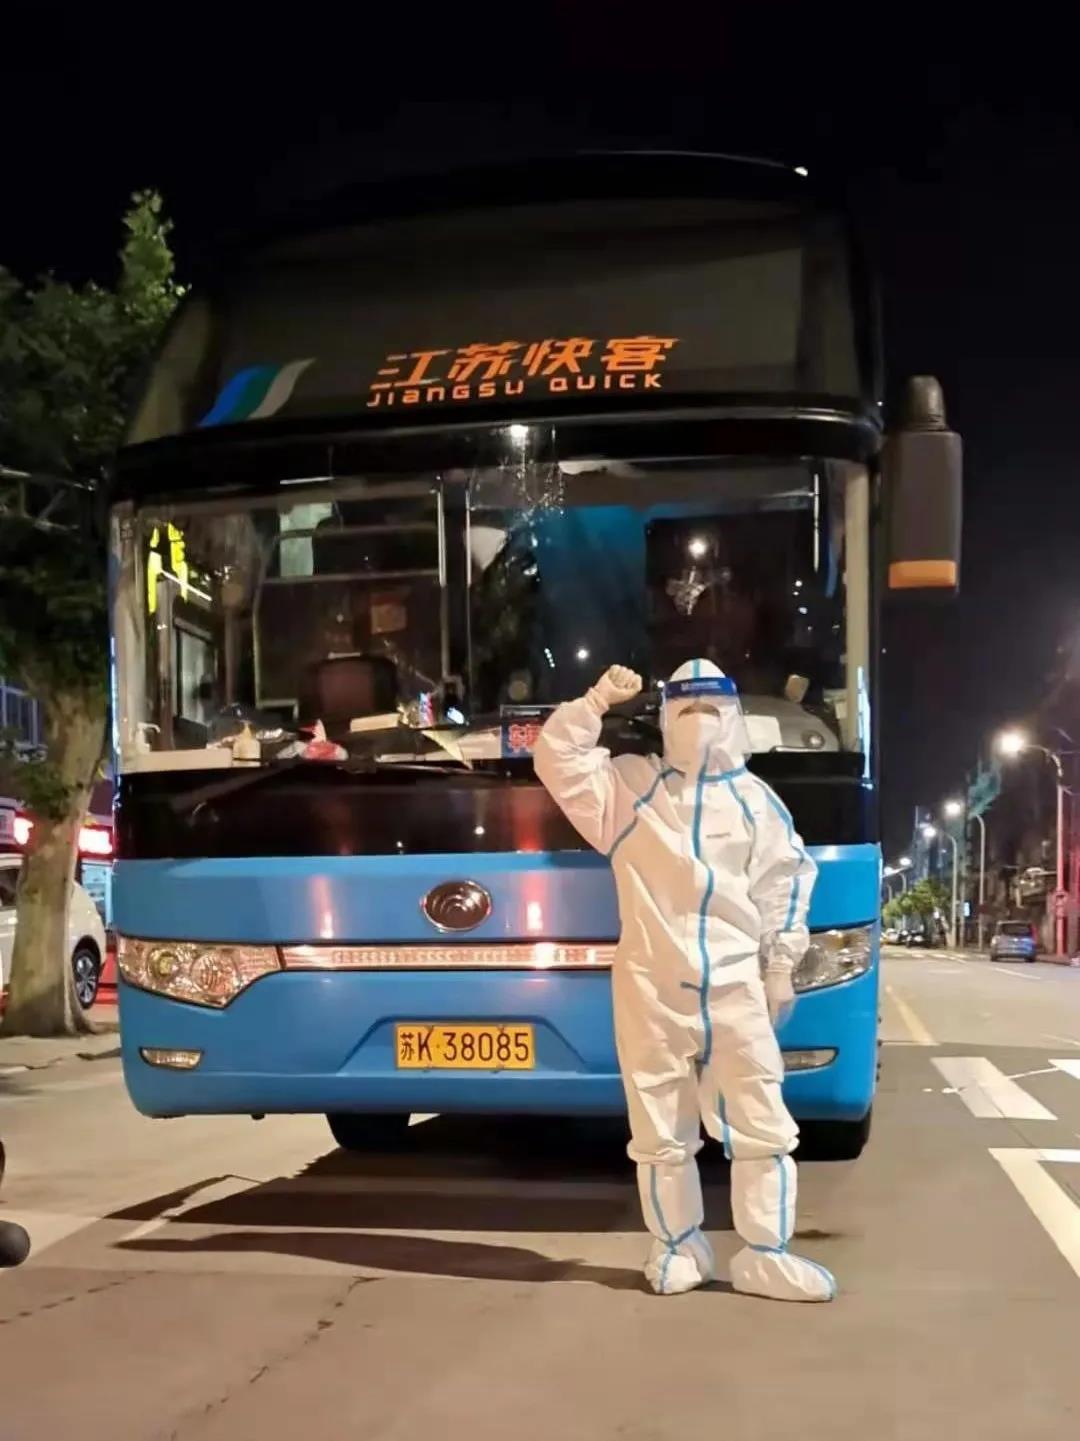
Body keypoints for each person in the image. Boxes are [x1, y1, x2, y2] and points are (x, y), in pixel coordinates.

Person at [533, 659, 835, 1301]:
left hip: (735, 980)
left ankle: (766, 1254)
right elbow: (557, 758)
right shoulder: (628, 789)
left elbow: (784, 882)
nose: (699, 721)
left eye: (711, 709)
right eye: (685, 708)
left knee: (762, 1122)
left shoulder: (757, 802)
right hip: (651, 982)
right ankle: (677, 1246)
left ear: (733, 717)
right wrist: (595, 701)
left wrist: (780, 965)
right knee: (660, 1130)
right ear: (666, 718)